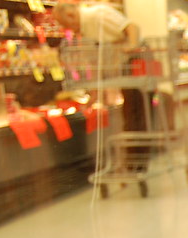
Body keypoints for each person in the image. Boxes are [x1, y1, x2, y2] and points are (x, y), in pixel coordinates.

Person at [52, 2, 154, 172]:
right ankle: (133, 162)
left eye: (65, 25)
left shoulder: (99, 14)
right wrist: (94, 94)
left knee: (137, 113)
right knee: (131, 114)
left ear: (70, 15)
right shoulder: (84, 30)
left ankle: (136, 163)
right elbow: (96, 61)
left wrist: (131, 47)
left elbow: (132, 28)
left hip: (136, 61)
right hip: (124, 66)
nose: (67, 30)